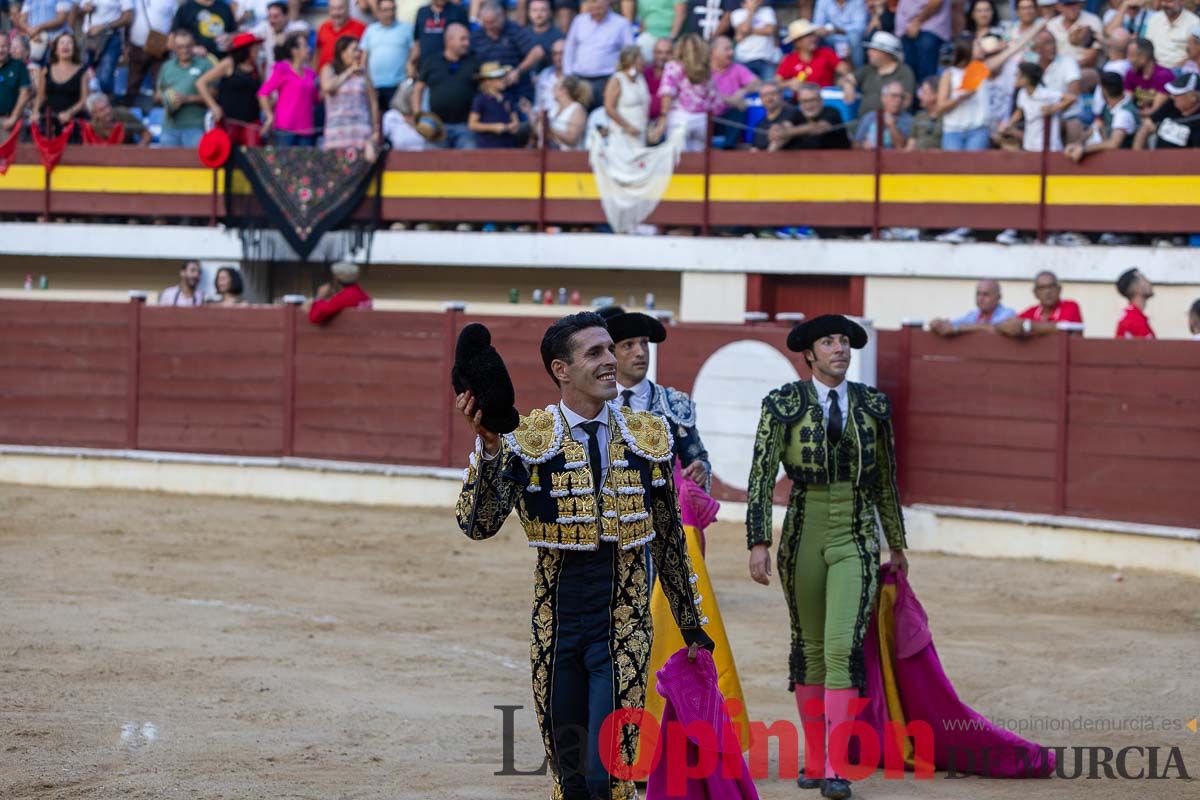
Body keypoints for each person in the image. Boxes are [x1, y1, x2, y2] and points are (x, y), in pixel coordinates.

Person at [454, 311, 712, 800]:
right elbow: (478, 525)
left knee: (607, 776)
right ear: (561, 370)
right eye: (595, 353)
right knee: (570, 778)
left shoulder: (648, 437)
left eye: (610, 349)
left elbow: (670, 539)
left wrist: (690, 622)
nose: (611, 360)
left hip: (624, 626)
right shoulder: (528, 442)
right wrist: (489, 451)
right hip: (557, 629)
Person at [746, 314, 908, 800]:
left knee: (841, 647)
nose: (840, 348)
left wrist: (895, 542)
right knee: (810, 647)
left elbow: (885, 479)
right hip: (802, 529)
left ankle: (837, 765)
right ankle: (815, 761)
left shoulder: (873, 405)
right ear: (809, 354)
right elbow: (760, 474)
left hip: (856, 533)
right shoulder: (783, 404)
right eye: (828, 342)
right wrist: (759, 541)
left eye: (844, 341)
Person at [414, 23, 479, 149]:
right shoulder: (432, 62)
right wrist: (418, 115)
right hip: (436, 127)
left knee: (471, 161)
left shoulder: (474, 62)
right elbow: (418, 89)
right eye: (463, 39)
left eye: (467, 39)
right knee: (431, 163)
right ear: (449, 40)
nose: (467, 43)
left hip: (465, 127)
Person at [655, 32, 721, 151]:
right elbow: (714, 99)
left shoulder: (673, 66)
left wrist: (663, 117)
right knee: (698, 163)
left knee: (680, 163)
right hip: (702, 120)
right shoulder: (706, 70)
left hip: (679, 118)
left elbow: (667, 93)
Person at [197, 31, 264, 147]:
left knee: (253, 158)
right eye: (254, 48)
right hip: (229, 123)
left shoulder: (257, 68)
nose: (258, 51)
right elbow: (200, 83)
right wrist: (213, 106)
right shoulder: (229, 64)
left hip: (251, 123)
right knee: (229, 158)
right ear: (246, 50)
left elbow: (262, 93)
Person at [563, 0, 633, 110]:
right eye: (592, 8)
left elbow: (629, 52)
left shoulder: (621, 23)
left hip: (606, 79)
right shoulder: (579, 21)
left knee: (602, 115)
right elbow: (569, 49)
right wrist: (568, 73)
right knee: (578, 113)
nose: (595, 12)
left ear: (608, 4)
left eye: (599, 8)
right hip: (580, 78)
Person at [471, 0, 543, 105]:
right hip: (489, 93)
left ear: (502, 17)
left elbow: (538, 52)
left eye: (493, 22)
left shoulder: (513, 29)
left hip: (517, 90)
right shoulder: (477, 35)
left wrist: (518, 71)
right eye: (486, 23)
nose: (489, 27)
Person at [257, 31, 318, 146]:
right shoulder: (283, 69)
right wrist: (270, 116)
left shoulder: (311, 74)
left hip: (306, 129)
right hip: (285, 128)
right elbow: (263, 93)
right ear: (294, 51)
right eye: (304, 46)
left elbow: (316, 99)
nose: (308, 49)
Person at [321, 35, 380, 153]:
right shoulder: (329, 69)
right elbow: (328, 87)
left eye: (359, 50)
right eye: (354, 50)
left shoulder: (363, 73)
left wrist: (375, 129)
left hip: (360, 129)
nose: (357, 53)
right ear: (342, 53)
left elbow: (373, 102)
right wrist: (349, 72)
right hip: (336, 130)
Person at [839, 30, 915, 120]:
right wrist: (848, 85)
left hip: (890, 123)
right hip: (864, 122)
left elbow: (907, 101)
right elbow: (846, 79)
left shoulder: (904, 72)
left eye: (873, 50)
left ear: (886, 53)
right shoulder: (869, 69)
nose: (868, 52)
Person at [998, 62, 1069, 153]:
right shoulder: (1022, 93)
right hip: (1030, 144)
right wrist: (1008, 124)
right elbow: (1020, 111)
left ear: (1026, 79)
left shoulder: (1045, 94)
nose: (1015, 77)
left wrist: (1053, 109)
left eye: (1018, 75)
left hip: (1050, 147)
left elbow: (1071, 98)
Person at [1065, 70, 1136, 160]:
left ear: (1104, 91)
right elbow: (1095, 127)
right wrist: (1077, 144)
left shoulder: (1123, 113)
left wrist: (1083, 149)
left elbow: (1113, 144)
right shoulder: (1108, 107)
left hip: (1123, 163)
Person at [937, 37, 991, 150]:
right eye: (978, 46)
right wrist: (962, 98)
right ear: (967, 49)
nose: (982, 49)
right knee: (953, 167)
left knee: (974, 168)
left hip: (978, 130)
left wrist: (1038, 25)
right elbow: (940, 107)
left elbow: (1013, 50)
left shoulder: (981, 68)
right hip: (953, 131)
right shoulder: (949, 74)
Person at [361, 0, 413, 113]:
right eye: (385, 10)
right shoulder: (370, 30)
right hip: (374, 87)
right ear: (378, 12)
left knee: (396, 125)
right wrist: (366, 83)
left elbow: (414, 54)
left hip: (398, 87)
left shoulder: (407, 29)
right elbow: (363, 61)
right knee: (376, 124)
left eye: (392, 9)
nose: (390, 13)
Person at [33, 31, 88, 136]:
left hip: (72, 122)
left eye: (69, 43)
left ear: (74, 49)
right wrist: (35, 112)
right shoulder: (46, 69)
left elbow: (83, 101)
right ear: (56, 49)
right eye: (62, 43)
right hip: (49, 122)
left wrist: (69, 113)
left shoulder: (82, 72)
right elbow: (40, 96)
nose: (65, 46)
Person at [124, 0, 177, 109]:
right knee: (133, 82)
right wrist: (126, 44)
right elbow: (127, 20)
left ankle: (160, 111)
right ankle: (130, 111)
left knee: (160, 82)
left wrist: (170, 41)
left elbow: (176, 21)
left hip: (160, 46)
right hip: (136, 45)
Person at [710, 34, 759, 148]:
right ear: (713, 51)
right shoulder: (703, 70)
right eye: (727, 49)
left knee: (739, 110)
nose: (731, 53)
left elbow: (757, 83)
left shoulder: (736, 68)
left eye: (731, 49)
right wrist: (729, 99)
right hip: (708, 116)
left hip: (728, 116)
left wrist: (743, 91)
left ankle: (729, 148)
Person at [772, 81, 851, 149]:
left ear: (821, 100)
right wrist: (778, 131)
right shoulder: (796, 114)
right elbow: (785, 126)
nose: (808, 105)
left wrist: (788, 132)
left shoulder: (831, 112)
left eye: (812, 100)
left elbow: (819, 128)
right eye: (804, 101)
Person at [77, 0, 133, 96]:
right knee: (84, 75)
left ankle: (104, 108)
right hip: (88, 39)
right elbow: (78, 12)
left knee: (104, 78)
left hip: (110, 38)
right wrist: (84, 10)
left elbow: (128, 17)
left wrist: (103, 27)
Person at [929, 279, 1017, 336]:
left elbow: (995, 328)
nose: (980, 298)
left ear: (999, 297)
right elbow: (954, 324)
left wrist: (958, 328)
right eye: (978, 294)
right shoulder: (973, 315)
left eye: (986, 294)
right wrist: (939, 324)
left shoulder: (1008, 313)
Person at [1136, 70, 1200, 147]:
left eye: (1177, 94)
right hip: (1156, 157)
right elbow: (1147, 126)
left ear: (1193, 98)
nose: (1172, 96)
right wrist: (1137, 156)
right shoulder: (1171, 104)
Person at [776, 18, 844, 89]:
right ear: (797, 42)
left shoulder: (826, 53)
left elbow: (846, 72)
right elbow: (777, 84)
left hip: (825, 98)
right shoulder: (789, 60)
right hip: (800, 99)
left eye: (812, 35)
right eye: (807, 36)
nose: (813, 39)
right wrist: (789, 83)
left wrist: (845, 82)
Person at [895, 0, 950, 85]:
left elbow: (936, 2)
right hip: (907, 29)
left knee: (926, 79)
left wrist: (917, 22)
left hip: (928, 28)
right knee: (909, 76)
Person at [468, 61, 520, 147]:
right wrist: (493, 127)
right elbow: (472, 124)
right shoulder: (480, 100)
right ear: (488, 81)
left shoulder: (508, 98)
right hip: (487, 145)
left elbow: (514, 119)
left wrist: (513, 126)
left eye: (503, 76)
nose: (503, 80)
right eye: (499, 78)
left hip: (507, 144)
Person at [252, 1, 310, 73]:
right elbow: (248, 35)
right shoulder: (265, 27)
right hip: (273, 78)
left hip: (294, 78)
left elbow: (304, 31)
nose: (272, 20)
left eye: (276, 16)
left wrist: (286, 36)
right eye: (269, 16)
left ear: (286, 16)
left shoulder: (297, 25)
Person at [852, 77, 911, 148]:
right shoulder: (869, 117)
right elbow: (855, 145)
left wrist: (891, 126)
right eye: (894, 96)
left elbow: (902, 147)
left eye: (901, 97)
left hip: (894, 158)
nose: (898, 100)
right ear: (884, 98)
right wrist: (863, 146)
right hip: (870, 157)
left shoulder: (908, 120)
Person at [308, 261, 372, 324]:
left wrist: (319, 297)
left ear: (336, 278)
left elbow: (315, 317)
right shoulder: (364, 295)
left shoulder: (344, 297)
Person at [411, 0, 468, 70]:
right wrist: (411, 62)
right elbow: (417, 41)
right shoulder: (422, 12)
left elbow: (466, 39)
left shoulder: (458, 12)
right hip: (425, 68)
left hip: (449, 69)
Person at [1144, 0, 1199, 69]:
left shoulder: (1194, 23)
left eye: (1170, 1)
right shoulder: (1154, 19)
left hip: (1180, 70)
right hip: (1154, 69)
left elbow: (1195, 54)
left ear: (1182, 2)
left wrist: (1175, 69)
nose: (1165, 5)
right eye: (1163, 1)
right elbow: (1147, 47)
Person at [730, 0, 778, 79]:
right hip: (744, 59)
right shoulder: (737, 13)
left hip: (766, 59)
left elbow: (769, 30)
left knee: (769, 88)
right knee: (747, 89)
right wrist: (751, 12)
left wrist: (746, 33)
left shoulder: (768, 11)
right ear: (744, 3)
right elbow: (745, 29)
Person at [171, 0, 236, 57]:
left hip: (223, 59)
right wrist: (191, 49)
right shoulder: (185, 9)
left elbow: (236, 33)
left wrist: (230, 38)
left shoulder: (224, 7)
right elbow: (171, 41)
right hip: (194, 61)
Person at [1047, 0, 1102, 66]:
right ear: (1059, 7)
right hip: (1056, 67)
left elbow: (1091, 58)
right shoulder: (1051, 24)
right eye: (1067, 5)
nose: (1072, 8)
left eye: (1074, 4)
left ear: (1080, 4)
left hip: (1084, 69)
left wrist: (1070, 69)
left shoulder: (1092, 21)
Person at [814, 0, 870, 65]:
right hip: (831, 36)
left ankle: (858, 71)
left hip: (851, 36)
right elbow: (817, 25)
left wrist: (838, 30)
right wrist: (824, 30)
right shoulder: (823, 1)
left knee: (854, 39)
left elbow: (860, 26)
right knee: (817, 38)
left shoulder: (858, 1)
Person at [80, 91, 149, 144]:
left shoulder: (123, 114)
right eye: (102, 110)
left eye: (107, 106)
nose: (107, 111)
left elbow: (147, 134)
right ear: (93, 114)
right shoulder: (90, 128)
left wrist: (137, 152)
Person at [315, 0, 365, 70]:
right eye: (333, 8)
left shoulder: (360, 28)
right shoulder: (323, 27)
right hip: (324, 77)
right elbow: (317, 54)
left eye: (340, 8)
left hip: (350, 76)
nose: (336, 12)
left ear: (348, 8)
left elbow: (364, 54)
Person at [543, 73, 589, 148]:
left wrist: (549, 129)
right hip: (551, 154)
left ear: (564, 90)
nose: (552, 90)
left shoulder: (577, 109)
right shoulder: (553, 110)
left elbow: (572, 138)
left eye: (555, 87)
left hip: (569, 157)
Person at [0, 35, 33, 136]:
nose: (1, 50)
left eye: (4, 46)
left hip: (9, 121)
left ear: (9, 48)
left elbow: (25, 93)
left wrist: (13, 118)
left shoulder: (18, 65)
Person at [1114, 267, 1155, 338]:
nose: (1149, 282)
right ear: (1136, 287)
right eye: (1143, 278)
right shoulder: (1133, 320)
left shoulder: (1135, 316)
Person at [525, 0, 564, 73]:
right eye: (534, 10)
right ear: (528, 13)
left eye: (543, 10)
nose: (539, 14)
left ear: (550, 13)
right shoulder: (522, 35)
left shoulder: (559, 36)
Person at [908, 75, 942, 148]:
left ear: (935, 95)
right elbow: (911, 144)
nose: (920, 96)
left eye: (924, 92)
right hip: (917, 158)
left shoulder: (947, 117)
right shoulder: (919, 116)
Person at [534, 37, 565, 113]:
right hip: (544, 119)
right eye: (555, 54)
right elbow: (538, 103)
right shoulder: (545, 74)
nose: (558, 57)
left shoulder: (573, 76)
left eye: (561, 53)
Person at [644, 34, 670, 120]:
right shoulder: (645, 72)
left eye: (668, 53)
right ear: (653, 53)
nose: (663, 57)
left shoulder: (678, 76)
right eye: (659, 52)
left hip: (667, 120)